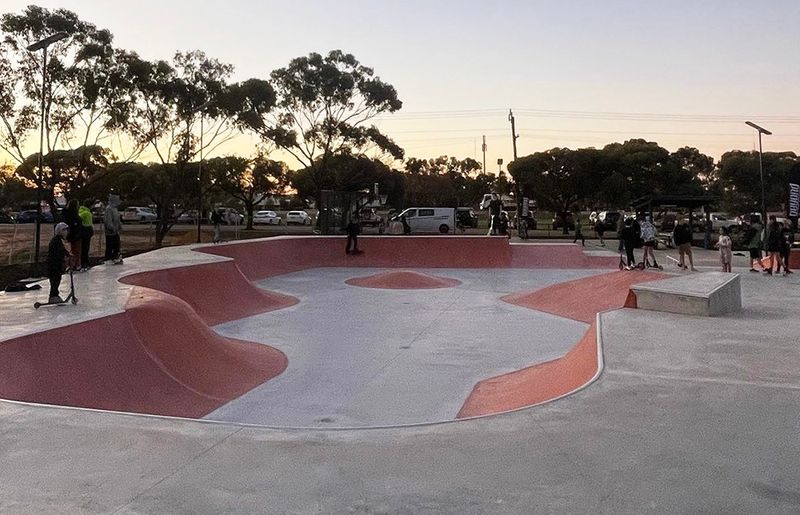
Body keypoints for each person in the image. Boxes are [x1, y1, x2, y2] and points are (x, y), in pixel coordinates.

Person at [46, 222, 70, 303]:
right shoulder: (56, 241)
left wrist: (67, 254)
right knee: (55, 280)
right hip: (54, 265)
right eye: (65, 230)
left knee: (57, 279)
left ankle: (54, 294)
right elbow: (59, 251)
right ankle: (53, 295)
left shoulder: (58, 240)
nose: (66, 232)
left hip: (56, 264)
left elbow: (62, 250)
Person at [62, 199, 82, 270]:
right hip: (75, 236)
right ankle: (75, 265)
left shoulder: (66, 214)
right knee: (76, 251)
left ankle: (70, 265)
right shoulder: (74, 216)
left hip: (69, 236)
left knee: (70, 251)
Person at [104, 194, 123, 264]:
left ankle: (116, 257)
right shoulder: (108, 209)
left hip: (116, 232)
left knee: (116, 245)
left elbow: (117, 219)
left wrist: (119, 226)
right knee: (110, 245)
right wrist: (112, 228)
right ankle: (108, 258)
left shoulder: (115, 209)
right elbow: (108, 221)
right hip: (110, 232)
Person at [78, 200, 94, 272]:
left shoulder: (81, 211)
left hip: (84, 232)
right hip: (86, 232)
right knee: (85, 248)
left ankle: (84, 261)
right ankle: (84, 262)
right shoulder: (86, 213)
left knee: (84, 247)